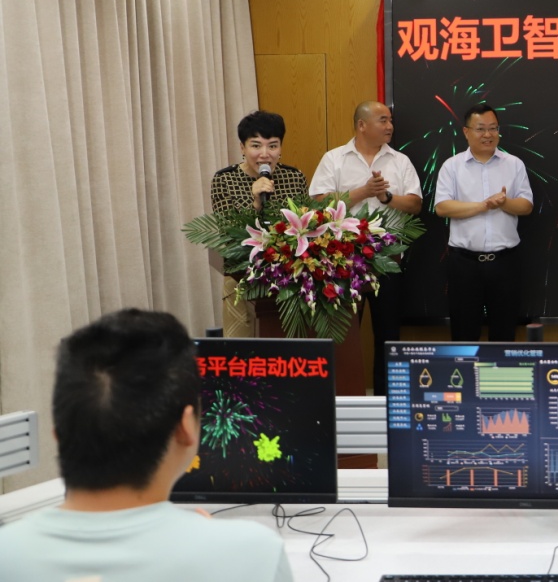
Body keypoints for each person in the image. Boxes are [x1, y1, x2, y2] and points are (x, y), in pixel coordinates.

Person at [0, 309, 293, 582]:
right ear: (186, 426)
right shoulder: (255, 556)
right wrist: (214, 541)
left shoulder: (8, 555)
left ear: (58, 434)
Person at [310, 100, 423, 394]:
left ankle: (388, 401)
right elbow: (318, 204)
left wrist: (387, 198)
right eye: (383, 120)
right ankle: (343, 398)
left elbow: (415, 204)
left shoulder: (400, 161)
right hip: (344, 261)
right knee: (344, 335)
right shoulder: (334, 159)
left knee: (388, 335)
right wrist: (362, 192)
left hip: (388, 260)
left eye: (390, 120)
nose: (390, 126)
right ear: (362, 125)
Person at [434, 103, 534, 341]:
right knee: (464, 334)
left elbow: (526, 206)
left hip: (505, 262)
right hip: (464, 264)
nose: (488, 134)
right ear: (466, 132)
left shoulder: (514, 164)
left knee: (504, 334)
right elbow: (442, 207)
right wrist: (484, 205)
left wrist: (504, 203)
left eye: (493, 128)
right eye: (480, 129)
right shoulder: (452, 166)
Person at [210, 110, 309, 338]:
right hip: (241, 278)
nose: (265, 154)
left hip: (288, 277)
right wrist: (254, 203)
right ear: (242, 148)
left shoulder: (294, 177)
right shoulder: (224, 179)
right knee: (242, 348)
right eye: (256, 146)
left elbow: (304, 225)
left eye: (272, 146)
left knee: (287, 347)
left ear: (280, 148)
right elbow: (228, 230)